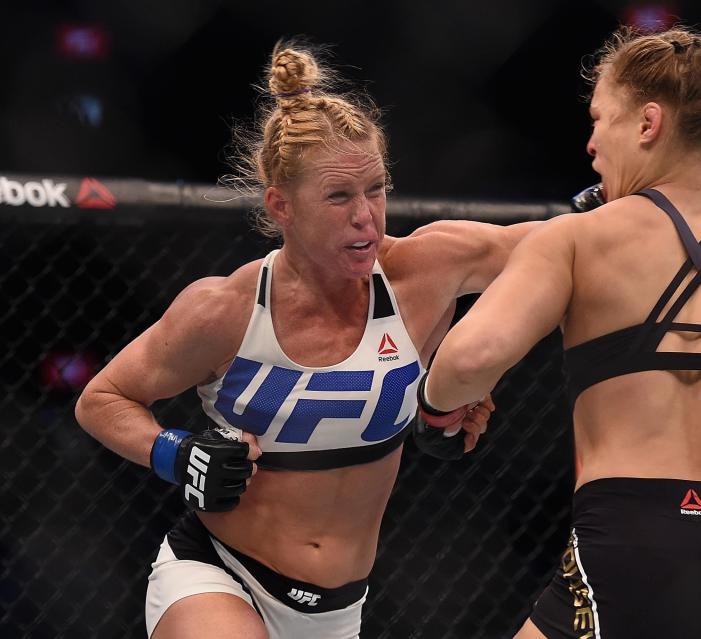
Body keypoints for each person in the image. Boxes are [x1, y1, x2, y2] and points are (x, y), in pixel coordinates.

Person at [75, 42, 537, 639]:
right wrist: (178, 452)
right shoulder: (226, 310)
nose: (366, 217)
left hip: (341, 609)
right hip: (221, 577)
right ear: (281, 206)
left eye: (375, 189)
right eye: (339, 196)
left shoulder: (427, 271)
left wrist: (442, 405)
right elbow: (101, 399)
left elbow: (560, 251)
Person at [418, 27, 701, 639]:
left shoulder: (579, 237)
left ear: (648, 124)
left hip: (635, 536)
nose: (591, 144)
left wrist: (437, 415)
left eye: (600, 120)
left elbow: (471, 355)